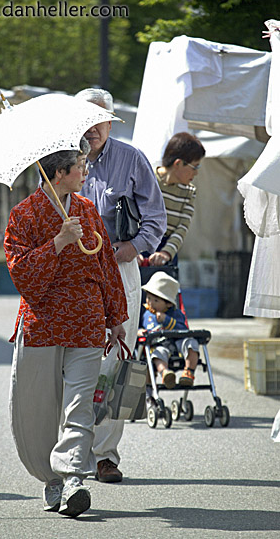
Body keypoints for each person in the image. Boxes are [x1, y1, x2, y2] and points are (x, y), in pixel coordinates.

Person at [4, 137, 128, 518]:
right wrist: (58, 241)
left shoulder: (89, 210)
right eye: (80, 166)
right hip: (43, 324)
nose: (86, 171)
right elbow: (21, 273)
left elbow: (106, 263)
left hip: (87, 320)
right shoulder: (24, 215)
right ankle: (51, 478)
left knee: (79, 405)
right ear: (59, 173)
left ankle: (73, 476)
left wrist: (116, 317)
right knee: (39, 408)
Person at [75, 88, 167, 483]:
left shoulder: (131, 158)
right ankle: (72, 451)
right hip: (75, 275)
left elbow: (156, 221)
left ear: (111, 121)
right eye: (84, 119)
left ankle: (105, 455)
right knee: (76, 363)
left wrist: (131, 247)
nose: (91, 128)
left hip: (120, 268)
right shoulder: (63, 162)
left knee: (116, 362)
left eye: (98, 120)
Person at [140, 132, 205, 267]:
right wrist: (133, 250)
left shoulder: (189, 192)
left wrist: (166, 253)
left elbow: (182, 228)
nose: (196, 173)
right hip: (139, 246)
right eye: (195, 166)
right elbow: (131, 218)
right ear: (178, 163)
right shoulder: (146, 179)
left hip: (166, 252)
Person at [140, 271, 199, 389]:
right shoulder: (146, 315)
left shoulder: (176, 314)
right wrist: (139, 331)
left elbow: (183, 329)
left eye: (155, 300)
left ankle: (188, 372)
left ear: (168, 304)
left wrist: (166, 320)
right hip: (160, 344)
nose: (150, 303)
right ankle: (165, 373)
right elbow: (141, 327)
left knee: (192, 343)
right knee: (158, 354)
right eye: (148, 298)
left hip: (179, 344)